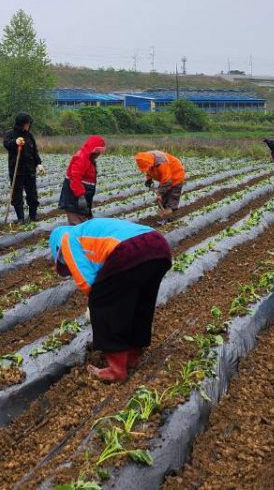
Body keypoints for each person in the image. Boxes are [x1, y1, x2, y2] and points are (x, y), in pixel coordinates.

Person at [49, 217, 171, 382]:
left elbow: (87, 282)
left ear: (58, 250)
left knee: (104, 303)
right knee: (141, 304)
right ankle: (133, 355)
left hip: (130, 250)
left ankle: (116, 369)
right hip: (159, 246)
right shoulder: (86, 232)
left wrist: (95, 307)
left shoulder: (67, 241)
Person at [3, 114, 45, 223]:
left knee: (32, 194)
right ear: (21, 124)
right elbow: (6, 144)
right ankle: (20, 218)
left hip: (30, 169)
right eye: (27, 123)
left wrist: (39, 163)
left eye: (29, 123)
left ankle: (33, 216)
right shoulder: (10, 134)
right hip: (16, 170)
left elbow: (34, 151)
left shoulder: (29, 135)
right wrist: (15, 142)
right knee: (17, 195)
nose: (28, 125)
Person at [61, 136, 106, 225]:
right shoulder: (81, 158)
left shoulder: (89, 158)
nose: (98, 155)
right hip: (74, 196)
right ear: (94, 150)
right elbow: (75, 178)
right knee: (77, 223)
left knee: (85, 221)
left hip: (83, 195)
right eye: (98, 152)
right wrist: (81, 196)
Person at [134, 150, 187, 217]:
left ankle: (170, 216)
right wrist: (149, 179)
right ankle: (163, 214)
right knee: (163, 199)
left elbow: (167, 181)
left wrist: (159, 193)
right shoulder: (147, 159)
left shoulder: (161, 162)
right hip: (166, 179)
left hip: (176, 176)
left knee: (172, 198)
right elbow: (149, 170)